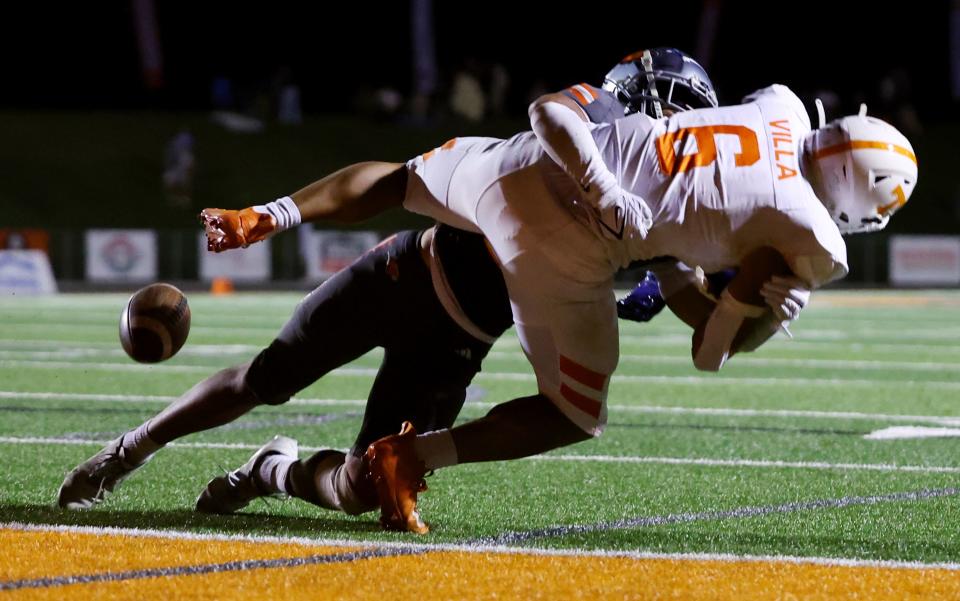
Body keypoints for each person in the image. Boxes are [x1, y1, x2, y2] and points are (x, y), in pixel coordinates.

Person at [58, 50, 741, 529]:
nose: (680, 145)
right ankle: (126, 452)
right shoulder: (574, 131)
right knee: (266, 376)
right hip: (404, 274)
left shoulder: (672, 209)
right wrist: (272, 215)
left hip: (458, 343)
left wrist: (749, 299)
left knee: (363, 490)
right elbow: (400, 178)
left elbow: (701, 318)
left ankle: (273, 470)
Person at [195, 83, 915, 535]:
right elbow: (709, 352)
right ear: (864, 200)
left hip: (522, 168)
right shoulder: (818, 238)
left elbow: (552, 113)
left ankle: (272, 212)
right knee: (576, 412)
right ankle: (416, 452)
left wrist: (626, 207)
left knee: (402, 177)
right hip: (565, 250)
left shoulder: (783, 104)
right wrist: (754, 304)